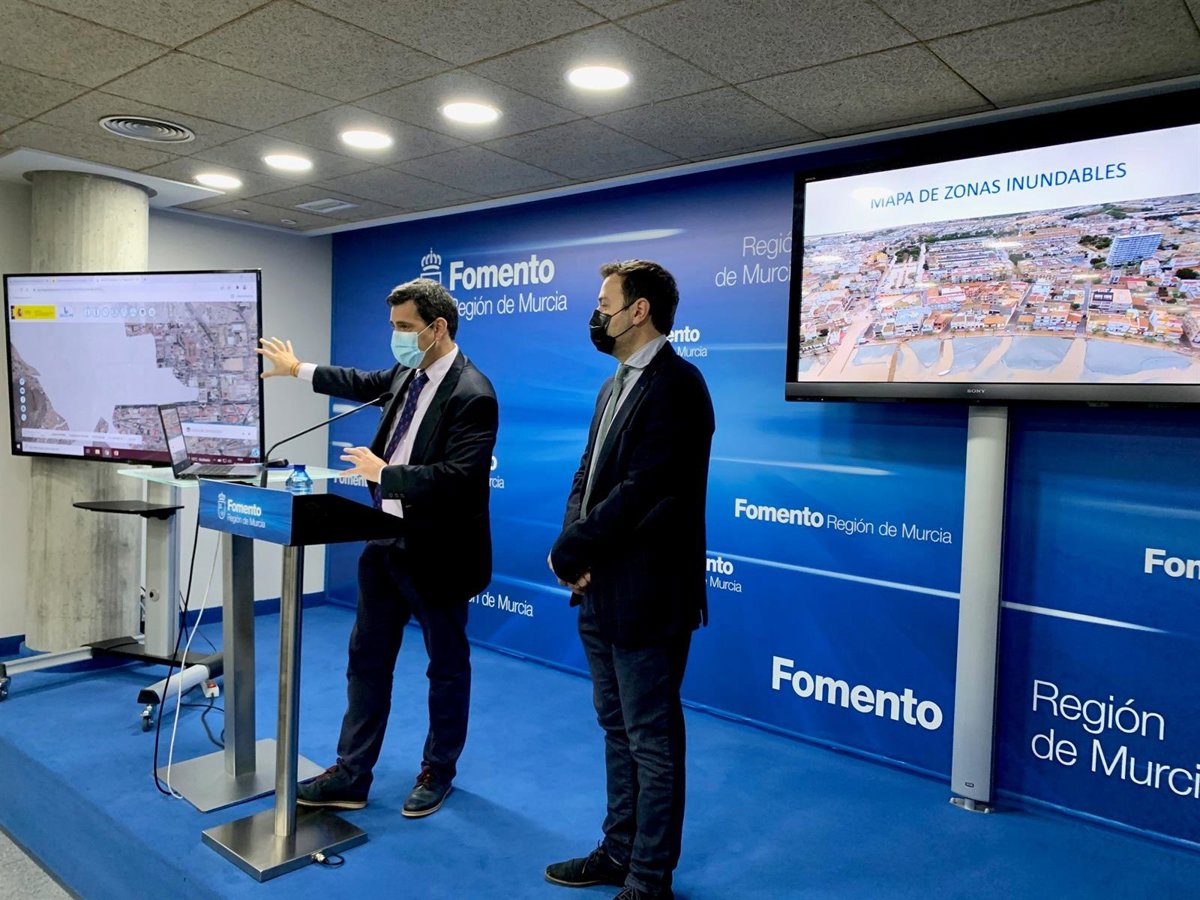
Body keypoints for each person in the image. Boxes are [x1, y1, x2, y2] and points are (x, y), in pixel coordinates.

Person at [256, 278, 498, 818]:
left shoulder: (473, 393)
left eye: (405, 327)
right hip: (384, 540)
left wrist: (385, 473)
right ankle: (351, 773)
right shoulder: (407, 373)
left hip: (438, 553)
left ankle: (438, 770)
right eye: (393, 327)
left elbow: (460, 479)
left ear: (438, 328)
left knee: (446, 667)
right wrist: (297, 369)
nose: (397, 337)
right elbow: (359, 380)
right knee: (366, 660)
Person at [545, 260, 715, 900]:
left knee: (652, 740)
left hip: (649, 595)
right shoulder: (612, 385)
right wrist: (573, 547)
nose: (597, 314)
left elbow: (646, 492)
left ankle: (649, 878)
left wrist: (574, 548)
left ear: (638, 310)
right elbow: (587, 478)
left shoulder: (679, 385)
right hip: (599, 588)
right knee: (617, 729)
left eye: (604, 303)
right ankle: (618, 852)